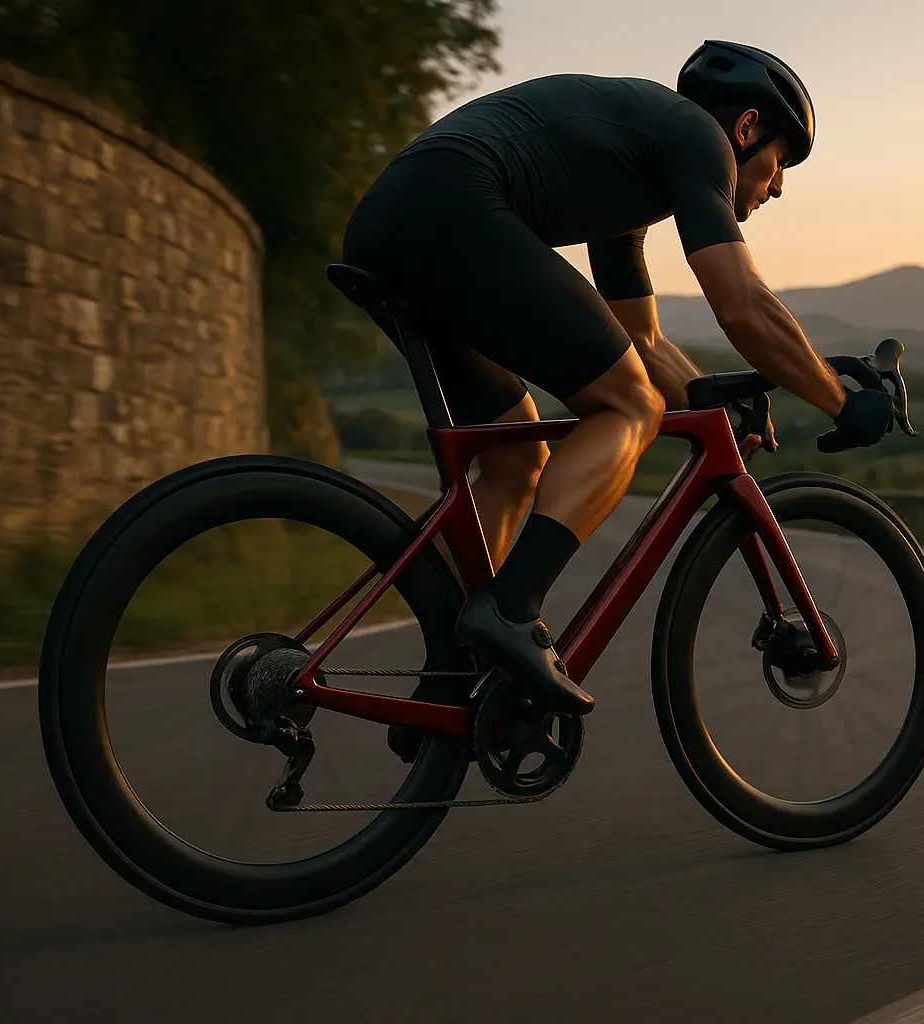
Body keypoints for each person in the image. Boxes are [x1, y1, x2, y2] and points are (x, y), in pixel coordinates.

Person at [342, 40, 875, 753]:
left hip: (397, 219)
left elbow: (643, 343)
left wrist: (714, 404)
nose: (777, 188)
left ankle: (448, 673)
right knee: (629, 409)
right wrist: (842, 402)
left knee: (516, 458)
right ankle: (511, 614)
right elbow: (740, 304)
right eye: (781, 162)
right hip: (451, 205)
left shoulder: (629, 187)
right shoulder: (697, 139)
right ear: (746, 128)